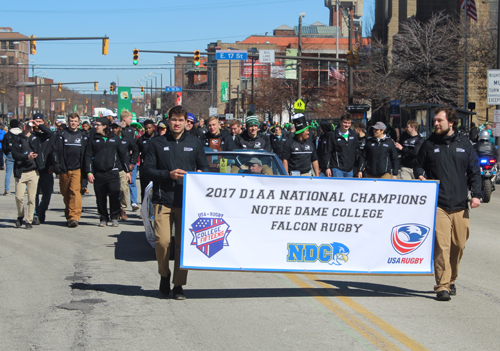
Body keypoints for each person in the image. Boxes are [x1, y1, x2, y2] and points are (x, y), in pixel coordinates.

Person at [414, 106, 481, 301]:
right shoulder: (429, 144)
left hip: (460, 203)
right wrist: (420, 175)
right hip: (438, 203)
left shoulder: (464, 144)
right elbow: (418, 164)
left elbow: (474, 171)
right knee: (442, 246)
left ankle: (451, 279)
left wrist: (476, 195)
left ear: (450, 123)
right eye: (434, 120)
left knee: (458, 245)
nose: (435, 123)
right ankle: (442, 286)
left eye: (438, 121)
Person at [142, 105, 209, 300]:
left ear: (186, 122)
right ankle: (164, 274)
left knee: (182, 246)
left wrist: (200, 174)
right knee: (162, 242)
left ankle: (179, 284)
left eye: (181, 120)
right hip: (163, 200)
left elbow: (204, 168)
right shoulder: (156, 143)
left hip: (186, 202)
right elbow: (146, 171)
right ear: (168, 121)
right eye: (174, 119)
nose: (177, 123)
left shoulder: (195, 144)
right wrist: (167, 175)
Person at [85, 117, 131, 227]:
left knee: (115, 194)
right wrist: (89, 172)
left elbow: (122, 155)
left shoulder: (115, 139)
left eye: (98, 125)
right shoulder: (93, 139)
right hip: (99, 173)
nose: (95, 127)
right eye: (95, 125)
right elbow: (88, 156)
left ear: (105, 126)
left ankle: (114, 216)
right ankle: (103, 217)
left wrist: (127, 171)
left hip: (113, 172)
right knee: (100, 197)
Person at [10, 119, 48, 229]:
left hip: (33, 172)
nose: (29, 127)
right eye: (27, 125)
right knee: (19, 197)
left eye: (30, 125)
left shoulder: (36, 137)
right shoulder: (17, 138)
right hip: (21, 172)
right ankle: (20, 215)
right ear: (22, 126)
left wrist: (38, 125)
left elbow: (49, 133)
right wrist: (27, 157)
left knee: (31, 198)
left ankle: (29, 220)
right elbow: (14, 154)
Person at [52, 112, 88, 227]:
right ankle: (69, 213)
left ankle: (74, 217)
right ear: (68, 122)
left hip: (77, 169)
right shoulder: (61, 134)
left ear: (79, 123)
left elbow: (87, 152)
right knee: (65, 192)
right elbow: (55, 151)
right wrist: (56, 165)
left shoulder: (83, 135)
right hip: (64, 168)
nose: (73, 123)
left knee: (75, 192)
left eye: (75, 121)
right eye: (71, 121)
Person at [111, 122, 139, 221]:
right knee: (113, 191)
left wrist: (132, 163)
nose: (114, 129)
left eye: (116, 127)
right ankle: (115, 211)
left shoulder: (126, 138)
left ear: (120, 128)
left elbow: (136, 150)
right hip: (111, 168)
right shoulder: (110, 138)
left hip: (123, 168)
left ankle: (123, 209)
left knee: (123, 189)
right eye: (112, 128)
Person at [31, 113, 56, 225]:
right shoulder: (31, 135)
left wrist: (52, 165)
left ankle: (42, 210)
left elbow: (49, 133)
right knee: (34, 194)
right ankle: (35, 215)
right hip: (34, 168)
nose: (37, 124)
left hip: (46, 168)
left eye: (40, 121)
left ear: (44, 123)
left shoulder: (48, 135)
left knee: (47, 193)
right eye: (35, 121)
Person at [324, 112, 359, 178]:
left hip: (349, 169)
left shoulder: (353, 134)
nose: (347, 125)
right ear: (340, 122)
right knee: (338, 187)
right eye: (345, 122)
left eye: (349, 123)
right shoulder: (333, 135)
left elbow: (356, 150)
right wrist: (327, 167)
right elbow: (327, 152)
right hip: (337, 168)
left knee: (348, 187)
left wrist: (358, 166)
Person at [119, 111, 140, 212]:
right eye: (130, 119)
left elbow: (135, 145)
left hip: (131, 160)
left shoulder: (131, 130)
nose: (131, 121)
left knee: (132, 182)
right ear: (124, 119)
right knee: (121, 184)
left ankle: (134, 202)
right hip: (121, 161)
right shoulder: (117, 130)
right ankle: (121, 204)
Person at [136, 119, 157, 203]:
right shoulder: (141, 140)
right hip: (144, 167)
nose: (148, 130)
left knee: (154, 189)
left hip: (156, 167)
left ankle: (153, 211)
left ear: (153, 128)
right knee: (144, 190)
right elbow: (136, 152)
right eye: (146, 128)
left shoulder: (158, 138)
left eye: (150, 128)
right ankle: (144, 210)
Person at [2, 120, 20, 195]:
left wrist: (6, 153)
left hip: (10, 154)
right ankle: (23, 189)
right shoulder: (21, 134)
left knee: (8, 173)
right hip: (19, 155)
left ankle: (7, 189)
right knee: (20, 172)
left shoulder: (7, 135)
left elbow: (4, 146)